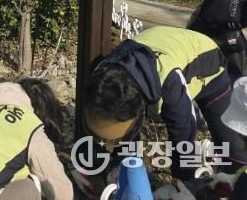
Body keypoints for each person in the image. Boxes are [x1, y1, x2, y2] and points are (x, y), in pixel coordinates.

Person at [81, 26, 247, 193]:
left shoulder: (169, 83)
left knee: (232, 145)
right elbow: (110, 125)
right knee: (126, 145)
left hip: (208, 63)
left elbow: (183, 138)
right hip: (160, 46)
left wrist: (183, 186)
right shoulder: (102, 77)